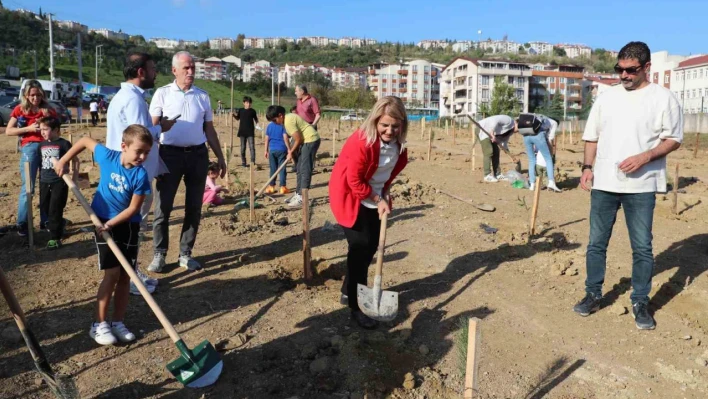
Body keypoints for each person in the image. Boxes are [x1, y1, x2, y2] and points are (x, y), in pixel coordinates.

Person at [573, 42, 683, 331]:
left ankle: (640, 301)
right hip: (604, 185)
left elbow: (674, 139)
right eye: (619, 69)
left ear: (647, 68)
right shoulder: (607, 98)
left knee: (642, 248)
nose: (623, 75)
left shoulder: (663, 99)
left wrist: (645, 157)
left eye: (630, 70)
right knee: (596, 244)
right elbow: (591, 137)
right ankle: (593, 294)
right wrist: (587, 168)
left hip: (642, 186)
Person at [54, 125, 153, 346]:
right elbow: (84, 140)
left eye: (147, 152)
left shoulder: (141, 174)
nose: (143, 156)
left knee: (127, 275)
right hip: (101, 221)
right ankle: (98, 324)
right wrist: (63, 161)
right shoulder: (108, 156)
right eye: (139, 151)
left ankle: (118, 322)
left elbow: (133, 209)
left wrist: (111, 224)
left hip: (126, 225)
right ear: (123, 147)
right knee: (113, 273)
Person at [328, 96, 409, 329]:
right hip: (350, 196)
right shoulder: (361, 142)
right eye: (384, 125)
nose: (389, 130)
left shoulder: (400, 147)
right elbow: (354, 180)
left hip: (375, 196)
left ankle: (347, 290)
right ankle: (357, 307)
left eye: (395, 126)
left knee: (372, 245)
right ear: (375, 121)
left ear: (402, 124)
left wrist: (383, 195)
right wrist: (376, 198)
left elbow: (388, 174)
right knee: (360, 247)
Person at [148, 51, 227, 273]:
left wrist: (220, 157)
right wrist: (150, 158)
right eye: (186, 68)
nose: (191, 71)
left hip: (197, 155)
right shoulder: (162, 94)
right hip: (169, 156)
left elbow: (209, 130)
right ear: (174, 71)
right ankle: (159, 254)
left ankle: (185, 253)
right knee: (163, 206)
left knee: (194, 206)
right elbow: (152, 128)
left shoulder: (202, 96)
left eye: (192, 67)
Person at [106, 52, 176, 294]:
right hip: (134, 175)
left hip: (128, 172)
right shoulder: (133, 100)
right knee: (132, 228)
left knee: (131, 228)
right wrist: (161, 127)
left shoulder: (123, 97)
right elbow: (140, 137)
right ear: (141, 72)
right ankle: (130, 277)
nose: (156, 73)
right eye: (153, 69)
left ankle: (130, 272)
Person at [5, 79, 57, 237]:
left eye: (39, 95)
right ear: (26, 95)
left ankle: (46, 220)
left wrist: (49, 120)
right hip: (30, 148)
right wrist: (28, 128)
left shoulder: (47, 109)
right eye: (33, 95)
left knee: (47, 185)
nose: (36, 98)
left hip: (47, 148)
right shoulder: (20, 109)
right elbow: (8, 131)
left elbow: (57, 126)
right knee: (28, 186)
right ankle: (23, 224)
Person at [267, 105, 321, 208]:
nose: (274, 122)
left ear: (280, 115)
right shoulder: (286, 120)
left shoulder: (288, 121)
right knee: (299, 168)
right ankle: (298, 194)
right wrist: (291, 151)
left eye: (274, 120)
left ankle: (302, 197)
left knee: (305, 169)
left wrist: (290, 152)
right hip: (305, 141)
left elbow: (298, 139)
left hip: (311, 140)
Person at [38, 116, 78, 249]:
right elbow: (40, 164)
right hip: (44, 181)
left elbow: (75, 160)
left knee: (55, 208)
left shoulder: (64, 144)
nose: (42, 132)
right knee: (44, 207)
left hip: (59, 182)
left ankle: (55, 238)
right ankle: (61, 223)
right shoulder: (41, 145)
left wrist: (75, 178)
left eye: (45, 129)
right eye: (41, 129)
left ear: (56, 130)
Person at [522, 114, 561, 192]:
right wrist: (551, 153)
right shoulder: (554, 123)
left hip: (526, 135)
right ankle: (551, 182)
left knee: (531, 160)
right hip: (537, 136)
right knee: (548, 159)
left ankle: (532, 185)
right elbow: (550, 139)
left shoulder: (541, 119)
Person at [476, 115, 517, 182]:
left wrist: (511, 156)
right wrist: (492, 133)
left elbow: (504, 144)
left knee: (496, 151)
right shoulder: (509, 120)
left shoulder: (510, 131)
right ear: (516, 123)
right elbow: (495, 120)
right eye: (519, 128)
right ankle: (487, 175)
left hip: (491, 134)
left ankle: (497, 174)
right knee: (489, 151)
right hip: (483, 128)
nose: (518, 131)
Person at [264, 113, 291, 194]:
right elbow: (285, 137)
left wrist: (266, 150)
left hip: (272, 150)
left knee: (273, 169)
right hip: (282, 149)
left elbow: (266, 139)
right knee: (282, 168)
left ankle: (271, 186)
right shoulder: (282, 125)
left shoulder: (269, 126)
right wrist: (289, 149)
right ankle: (283, 187)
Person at [232, 96, 259, 167]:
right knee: (243, 148)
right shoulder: (241, 110)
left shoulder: (253, 111)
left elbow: (256, 119)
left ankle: (252, 162)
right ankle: (243, 162)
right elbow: (238, 118)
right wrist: (233, 115)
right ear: (244, 103)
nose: (248, 104)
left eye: (250, 103)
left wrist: (257, 125)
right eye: (247, 102)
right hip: (242, 132)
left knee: (252, 147)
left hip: (250, 132)